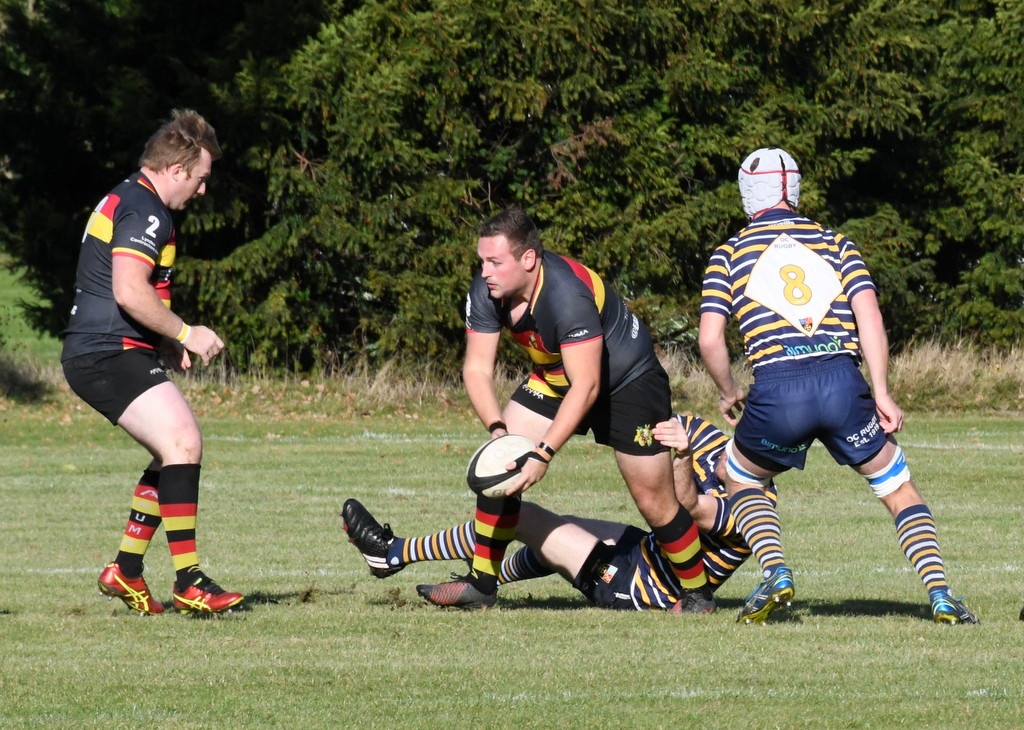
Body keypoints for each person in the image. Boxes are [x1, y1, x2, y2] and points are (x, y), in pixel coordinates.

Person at [698, 147, 977, 625]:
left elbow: (709, 339)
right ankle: (941, 593)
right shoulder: (836, 242)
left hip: (779, 390)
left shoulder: (729, 254)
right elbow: (870, 318)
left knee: (739, 474)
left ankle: (776, 572)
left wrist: (728, 392)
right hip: (843, 384)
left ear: (747, 193)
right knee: (898, 488)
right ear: (794, 189)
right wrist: (882, 392)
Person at [416, 209, 712, 612]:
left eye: (495, 262)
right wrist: (498, 431)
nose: (485, 272)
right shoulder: (486, 291)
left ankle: (698, 595)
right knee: (498, 466)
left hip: (628, 383)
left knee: (654, 501)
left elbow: (587, 385)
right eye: (482, 261)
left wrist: (543, 453)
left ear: (528, 259)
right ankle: (481, 584)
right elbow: (476, 368)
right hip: (558, 377)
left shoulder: (566, 296)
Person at [61, 109, 243, 615]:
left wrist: (165, 341)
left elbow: (140, 293)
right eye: (201, 178)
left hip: (107, 349)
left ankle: (126, 569)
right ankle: (190, 581)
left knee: (172, 451)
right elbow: (128, 290)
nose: (202, 190)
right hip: (106, 350)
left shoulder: (132, 198)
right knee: (184, 441)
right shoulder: (146, 210)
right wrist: (187, 332)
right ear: (178, 169)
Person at [341, 413, 776, 608]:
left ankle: (392, 553)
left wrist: (681, 457)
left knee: (524, 518)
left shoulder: (754, 504)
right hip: (644, 549)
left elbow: (687, 509)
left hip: (649, 588)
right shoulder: (709, 436)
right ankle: (487, 577)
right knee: (557, 531)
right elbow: (644, 428)